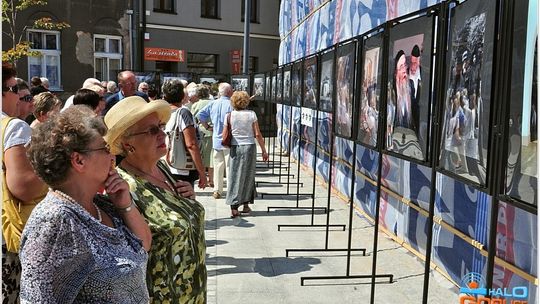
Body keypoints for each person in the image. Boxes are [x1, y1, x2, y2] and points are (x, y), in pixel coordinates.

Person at [21, 105, 151, 303]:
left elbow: (144, 245)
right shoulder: (55, 220)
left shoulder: (103, 205)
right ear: (78, 160)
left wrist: (125, 205)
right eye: (105, 149)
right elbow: (37, 298)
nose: (112, 157)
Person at [103, 96, 207, 303]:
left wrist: (187, 202)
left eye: (161, 126)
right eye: (152, 131)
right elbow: (133, 250)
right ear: (128, 144)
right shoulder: (124, 186)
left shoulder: (160, 168)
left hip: (192, 292)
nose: (163, 134)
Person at [2, 62, 48, 303]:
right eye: (13, 90)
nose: (17, 98)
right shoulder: (12, 127)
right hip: (7, 234)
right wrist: (52, 166)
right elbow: (24, 188)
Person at [225, 91, 268, 217]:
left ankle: (234, 206)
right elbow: (257, 134)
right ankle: (245, 204)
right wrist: (264, 150)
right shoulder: (251, 114)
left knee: (235, 174)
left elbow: (225, 132)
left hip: (235, 146)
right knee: (249, 174)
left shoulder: (229, 115)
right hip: (249, 146)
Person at [161, 79, 207, 188]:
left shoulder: (161, 113)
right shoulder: (183, 113)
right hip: (181, 168)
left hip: (164, 165)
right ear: (182, 95)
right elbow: (191, 144)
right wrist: (202, 172)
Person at [197, 82, 234, 199]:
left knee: (218, 165)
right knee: (229, 166)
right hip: (229, 140)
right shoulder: (232, 105)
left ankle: (217, 190)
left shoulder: (213, 103)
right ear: (229, 92)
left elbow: (200, 115)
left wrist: (208, 127)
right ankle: (231, 190)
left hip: (216, 138)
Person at [191, 84, 214, 187]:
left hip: (200, 132)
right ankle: (211, 180)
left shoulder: (195, 105)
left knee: (200, 156)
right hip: (211, 131)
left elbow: (193, 119)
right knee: (210, 157)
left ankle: (201, 177)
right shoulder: (213, 103)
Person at [409, 45, 421, 131]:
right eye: (412, 63)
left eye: (416, 64)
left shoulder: (424, 74)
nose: (413, 67)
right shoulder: (405, 74)